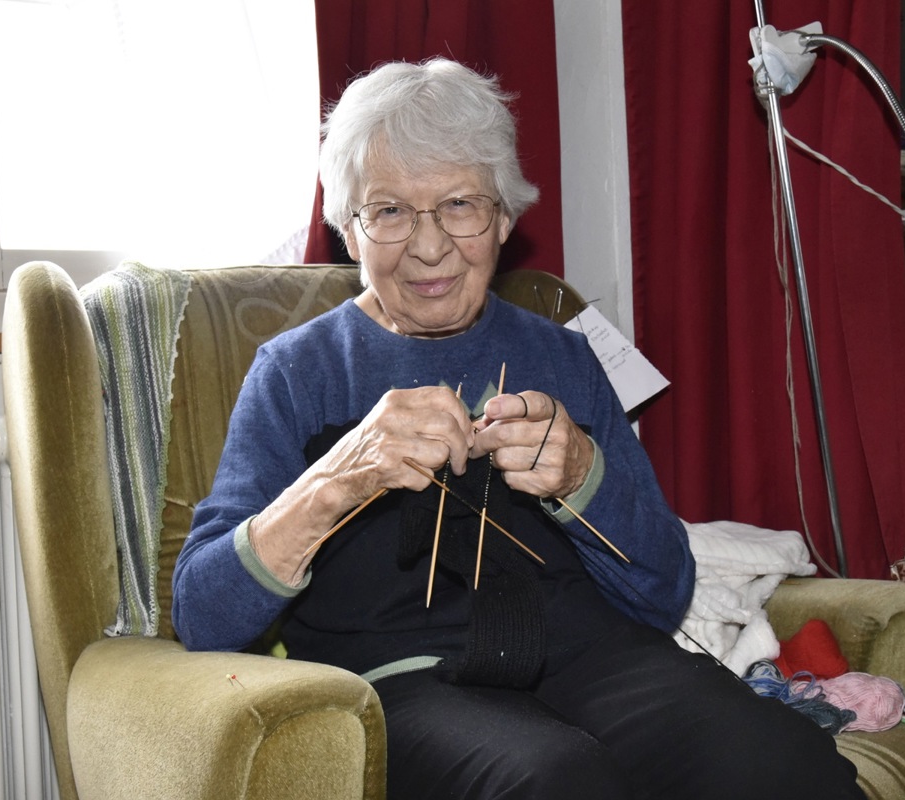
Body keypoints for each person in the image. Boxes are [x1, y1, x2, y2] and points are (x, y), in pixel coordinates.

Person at [172, 57, 865, 799]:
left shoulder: (560, 355)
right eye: (391, 211)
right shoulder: (297, 373)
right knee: (553, 781)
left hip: (592, 657)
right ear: (349, 228)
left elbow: (665, 591)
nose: (429, 247)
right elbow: (202, 615)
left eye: (461, 205)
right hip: (407, 685)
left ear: (504, 216)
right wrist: (337, 479)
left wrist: (581, 477)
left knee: (778, 758)